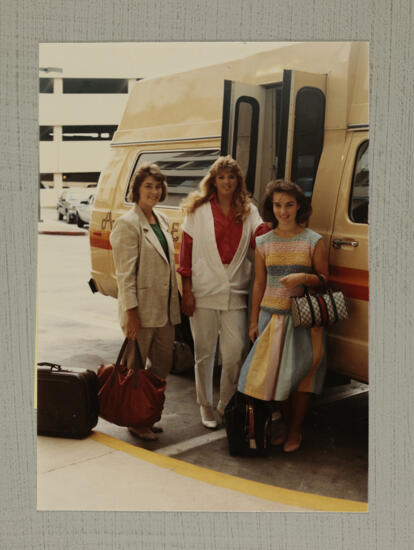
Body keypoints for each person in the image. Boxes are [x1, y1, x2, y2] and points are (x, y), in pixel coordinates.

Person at [237, 180, 329, 452]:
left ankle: (295, 431)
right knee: (274, 378)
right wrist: (253, 322)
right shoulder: (264, 241)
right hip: (270, 318)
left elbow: (324, 280)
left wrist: (304, 277)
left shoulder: (314, 240)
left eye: (289, 205)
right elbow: (259, 284)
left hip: (302, 321)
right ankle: (288, 426)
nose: (283, 211)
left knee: (301, 379)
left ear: (299, 206)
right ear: (271, 207)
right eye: (278, 205)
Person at [178, 156, 265, 429]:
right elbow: (185, 255)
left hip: (235, 293)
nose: (227, 181)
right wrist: (187, 293)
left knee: (234, 352)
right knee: (204, 353)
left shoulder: (249, 211)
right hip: (203, 292)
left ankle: (225, 402)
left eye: (231, 177)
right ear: (213, 181)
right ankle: (205, 405)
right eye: (221, 177)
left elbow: (261, 237)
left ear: (238, 181)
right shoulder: (198, 210)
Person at [110, 163, 181, 441]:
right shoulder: (128, 224)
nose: (153, 190)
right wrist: (131, 312)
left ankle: (147, 415)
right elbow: (125, 274)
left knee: (161, 366)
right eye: (148, 186)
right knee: (136, 371)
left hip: (164, 311)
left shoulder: (161, 220)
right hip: (141, 310)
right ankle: (135, 420)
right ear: (137, 189)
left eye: (157, 186)